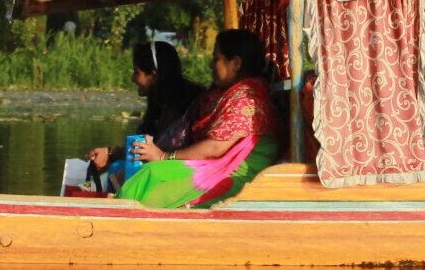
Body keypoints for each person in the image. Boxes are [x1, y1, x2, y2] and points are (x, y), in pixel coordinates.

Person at [117, 29, 280, 208]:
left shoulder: (247, 98)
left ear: (235, 63)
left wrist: (163, 156)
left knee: (152, 175)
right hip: (217, 167)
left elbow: (215, 147)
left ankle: (122, 214)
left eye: (216, 58)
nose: (210, 65)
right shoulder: (225, 93)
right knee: (147, 173)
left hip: (235, 176)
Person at [82, 40, 204, 192]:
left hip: (184, 177)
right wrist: (111, 153)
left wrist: (162, 156)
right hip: (159, 170)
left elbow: (162, 151)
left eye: (136, 72)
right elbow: (150, 149)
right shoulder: (160, 104)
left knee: (119, 170)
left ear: (153, 75)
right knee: (117, 167)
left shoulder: (190, 106)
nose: (132, 79)